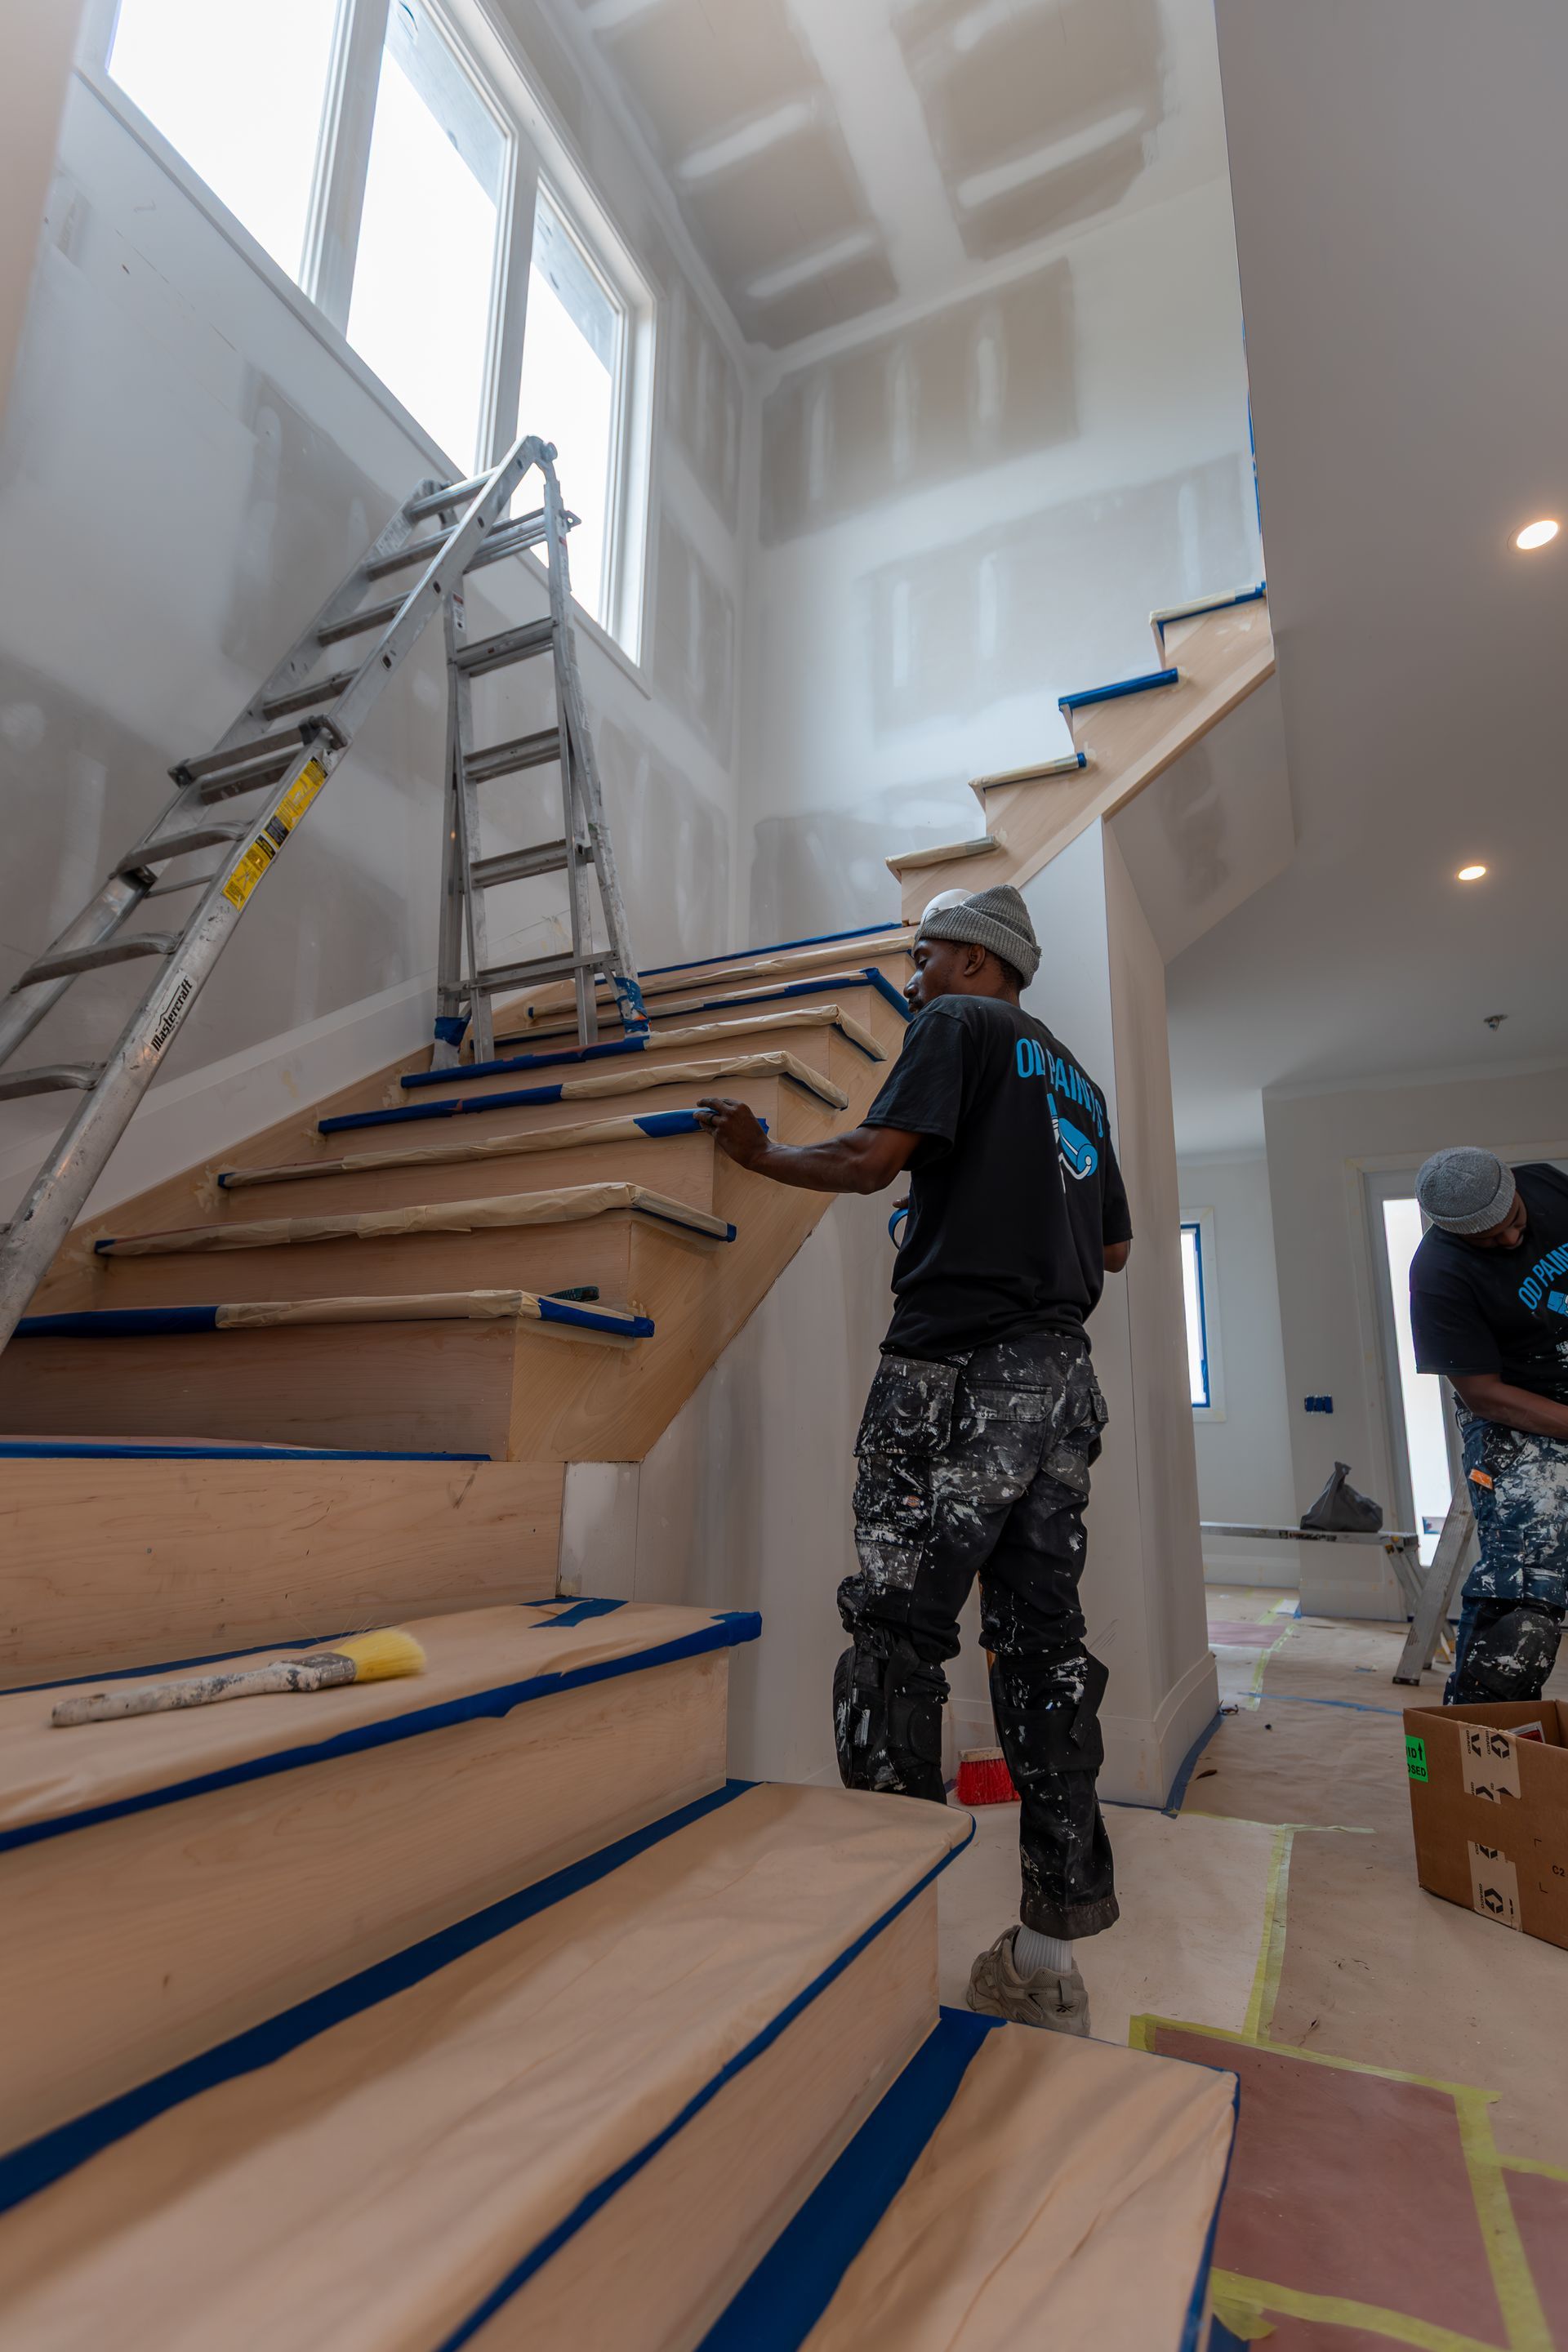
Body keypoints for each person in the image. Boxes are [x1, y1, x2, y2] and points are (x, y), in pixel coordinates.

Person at [695, 883, 1133, 2035]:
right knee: (1044, 1655)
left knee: (896, 1639)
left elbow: (870, 1159)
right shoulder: (1077, 1076)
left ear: (977, 963)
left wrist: (758, 1153)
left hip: (955, 1372)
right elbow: (1120, 1243)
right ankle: (1049, 1961)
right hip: (1061, 1383)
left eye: (926, 955)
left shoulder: (959, 1026)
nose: (914, 976)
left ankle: (882, 1944)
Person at [1410, 1148, 1568, 1705]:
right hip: (1515, 1408)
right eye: (1486, 1239)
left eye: (1515, 1224)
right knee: (1525, 1581)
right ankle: (1479, 1738)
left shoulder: (1548, 1184)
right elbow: (1483, 1394)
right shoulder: (1437, 1274)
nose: (1506, 1242)